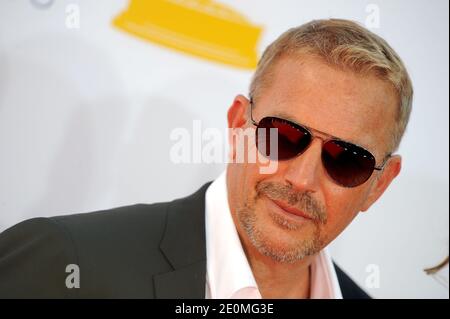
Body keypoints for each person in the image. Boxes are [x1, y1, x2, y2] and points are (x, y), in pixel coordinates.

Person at [0, 18, 413, 299]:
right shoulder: (67, 264)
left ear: (379, 184)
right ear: (238, 125)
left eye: (347, 159)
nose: (302, 179)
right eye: (283, 136)